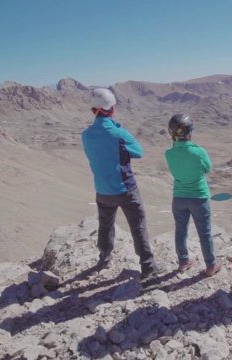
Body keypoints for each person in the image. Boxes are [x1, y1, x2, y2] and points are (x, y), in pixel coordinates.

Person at [81, 88, 167, 280]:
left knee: (105, 226)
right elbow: (139, 152)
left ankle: (104, 259)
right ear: (112, 109)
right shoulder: (120, 134)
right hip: (126, 189)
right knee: (138, 227)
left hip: (102, 190)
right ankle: (148, 267)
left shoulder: (86, 135)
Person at [164, 113, 222, 277]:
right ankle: (211, 265)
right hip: (199, 197)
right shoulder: (199, 152)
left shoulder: (169, 153)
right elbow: (207, 169)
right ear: (190, 131)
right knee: (204, 232)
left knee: (180, 230)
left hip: (179, 198)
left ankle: (183, 261)